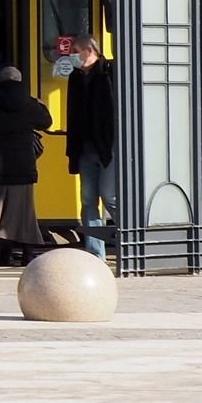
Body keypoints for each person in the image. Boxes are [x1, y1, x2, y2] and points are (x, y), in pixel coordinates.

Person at [0, 65, 52, 266]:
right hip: (22, 166)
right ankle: (27, 254)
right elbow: (46, 122)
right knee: (24, 214)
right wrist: (40, 104)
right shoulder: (29, 103)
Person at [66, 37, 117, 260]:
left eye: (76, 52)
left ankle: (129, 241)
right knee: (88, 199)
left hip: (107, 147)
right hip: (85, 148)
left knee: (110, 196)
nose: (73, 57)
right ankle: (96, 254)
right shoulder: (76, 78)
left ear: (89, 50)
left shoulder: (108, 72)